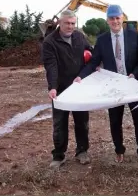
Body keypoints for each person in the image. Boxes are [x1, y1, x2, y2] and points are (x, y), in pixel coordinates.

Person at [77, 5, 138, 167]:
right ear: (107, 20)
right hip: (113, 86)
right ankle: (119, 150)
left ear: (122, 18)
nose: (115, 21)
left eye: (117, 18)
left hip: (132, 84)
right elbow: (94, 62)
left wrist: (135, 73)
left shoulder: (133, 35)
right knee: (115, 121)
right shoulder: (102, 40)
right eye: (112, 18)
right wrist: (80, 77)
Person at [42, 10, 93, 169]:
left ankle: (82, 151)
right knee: (59, 123)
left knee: (82, 122)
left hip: (79, 88)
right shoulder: (50, 42)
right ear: (60, 23)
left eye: (73, 23)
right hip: (61, 89)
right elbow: (51, 66)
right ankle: (58, 155)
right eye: (67, 23)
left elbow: (90, 53)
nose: (70, 26)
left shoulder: (79, 37)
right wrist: (53, 87)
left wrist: (92, 65)